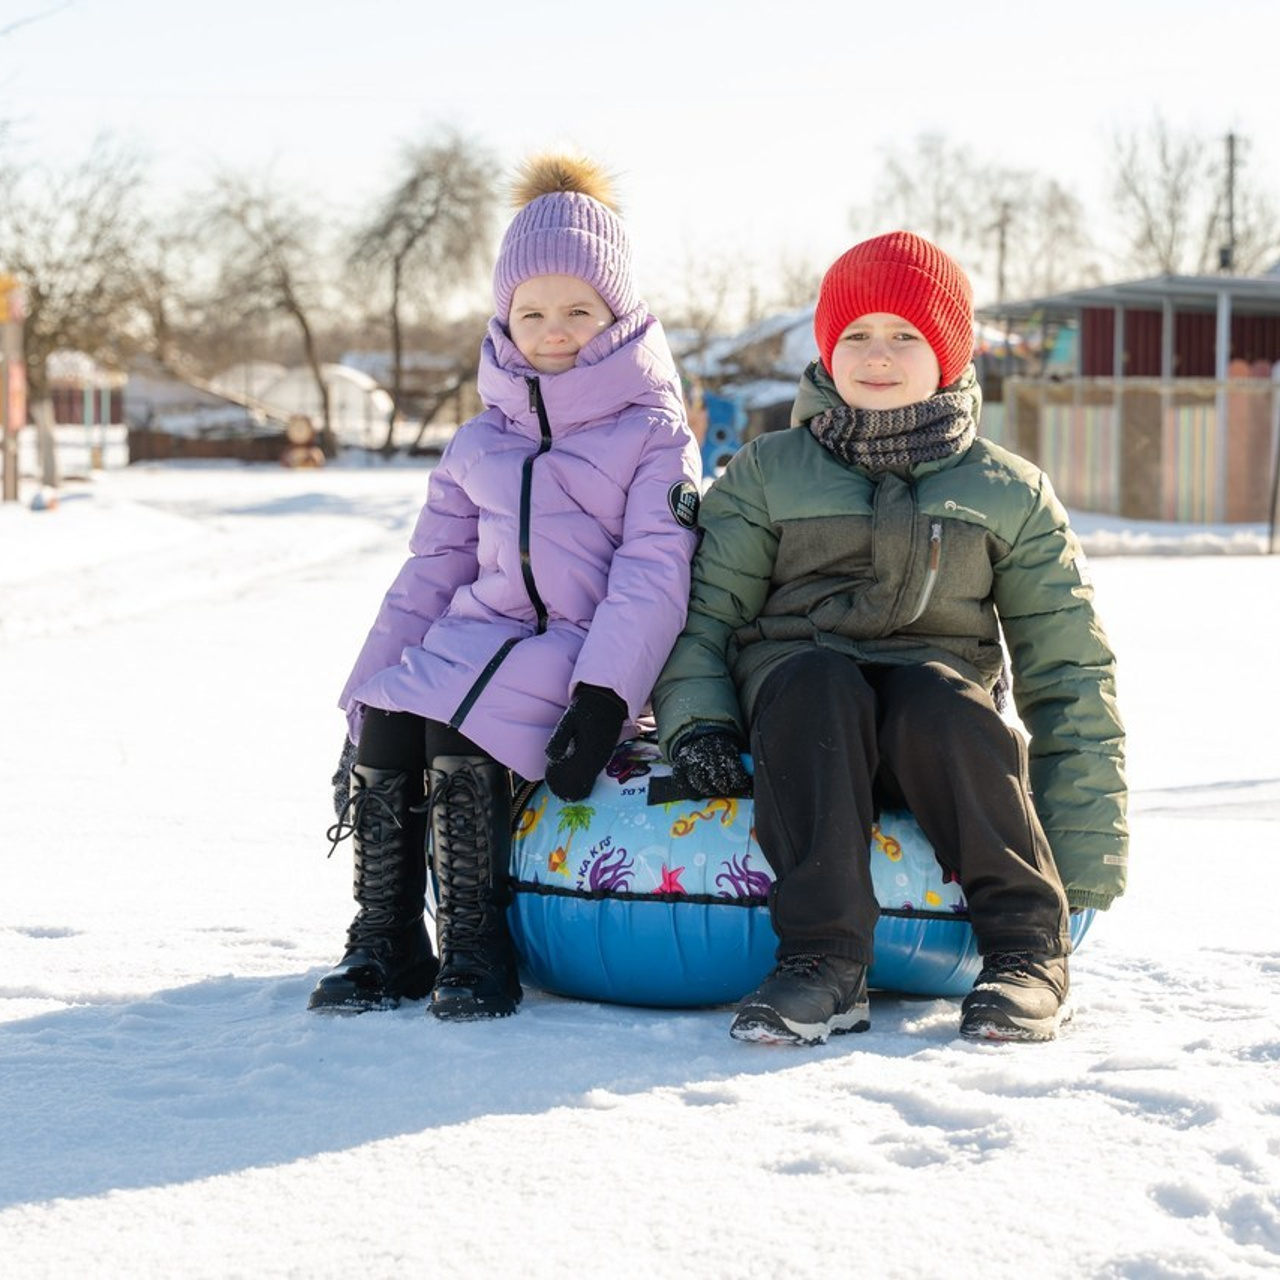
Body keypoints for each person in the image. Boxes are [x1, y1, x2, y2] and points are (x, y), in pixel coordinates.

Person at [653, 231, 1127, 1046]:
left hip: (937, 732)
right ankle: (825, 963)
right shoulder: (767, 471)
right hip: (803, 711)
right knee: (816, 682)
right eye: (856, 335)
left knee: (942, 698)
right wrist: (699, 724)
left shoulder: (1009, 492)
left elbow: (1069, 670)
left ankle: (1024, 952)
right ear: (827, 350)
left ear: (948, 351)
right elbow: (704, 620)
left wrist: (1082, 862)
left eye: (906, 335)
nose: (879, 355)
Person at [310, 153, 702, 1021]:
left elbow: (653, 573)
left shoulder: (653, 434)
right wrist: (358, 701)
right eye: (532, 312)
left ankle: (475, 945)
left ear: (618, 312)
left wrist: (604, 696)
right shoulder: (479, 441)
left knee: (464, 720)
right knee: (394, 715)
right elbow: (428, 577)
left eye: (577, 310)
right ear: (505, 317)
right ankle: (386, 939)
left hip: (579, 646)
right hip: (476, 634)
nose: (554, 330)